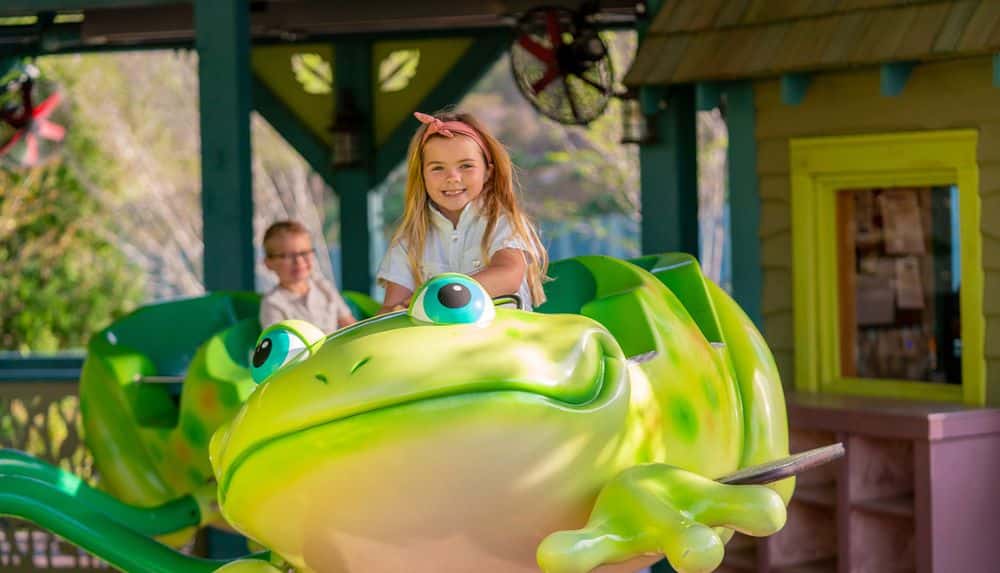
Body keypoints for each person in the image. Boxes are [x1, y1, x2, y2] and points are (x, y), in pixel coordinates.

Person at [377, 110, 548, 313]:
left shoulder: (503, 223)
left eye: (466, 166)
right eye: (438, 168)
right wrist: (397, 310)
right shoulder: (409, 241)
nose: (453, 177)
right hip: (441, 344)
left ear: (488, 172)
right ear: (421, 176)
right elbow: (390, 309)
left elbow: (508, 274)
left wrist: (436, 296)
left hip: (502, 339)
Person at [259, 220, 357, 332]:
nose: (298, 260)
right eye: (287, 256)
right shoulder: (273, 303)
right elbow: (277, 343)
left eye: (304, 253)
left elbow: (351, 326)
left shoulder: (324, 287)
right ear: (268, 263)